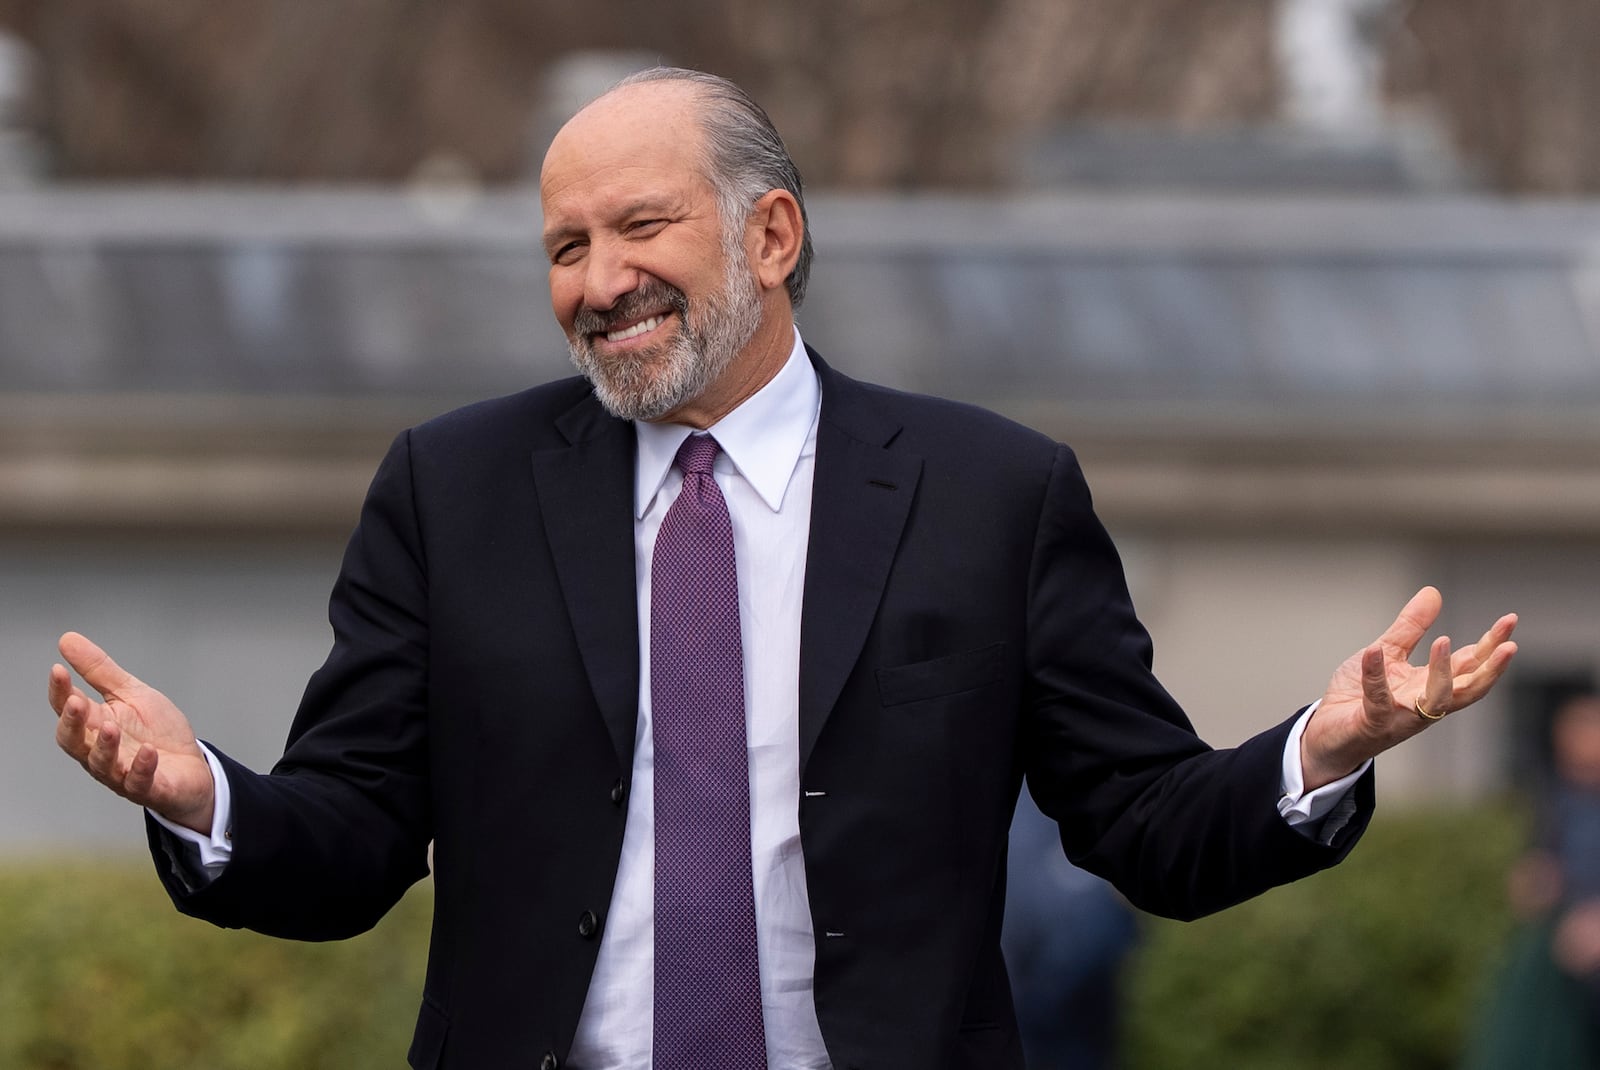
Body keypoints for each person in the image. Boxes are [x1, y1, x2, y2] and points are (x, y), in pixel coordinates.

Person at [48, 67, 1518, 1070]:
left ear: (771, 232)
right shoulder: (455, 488)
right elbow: (355, 838)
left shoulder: (990, 490)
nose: (595, 280)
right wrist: (205, 796)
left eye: (637, 225)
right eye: (563, 244)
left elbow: (1144, 825)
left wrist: (1320, 748)